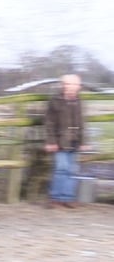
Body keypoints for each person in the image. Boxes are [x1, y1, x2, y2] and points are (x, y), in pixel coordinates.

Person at [44, 74, 90, 208]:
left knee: (71, 170)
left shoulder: (79, 101)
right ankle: (55, 197)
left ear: (78, 87)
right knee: (61, 169)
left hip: (74, 140)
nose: (72, 87)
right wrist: (51, 141)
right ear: (63, 85)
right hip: (60, 141)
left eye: (75, 85)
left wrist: (84, 141)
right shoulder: (55, 100)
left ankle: (68, 197)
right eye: (69, 84)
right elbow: (49, 122)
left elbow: (82, 122)